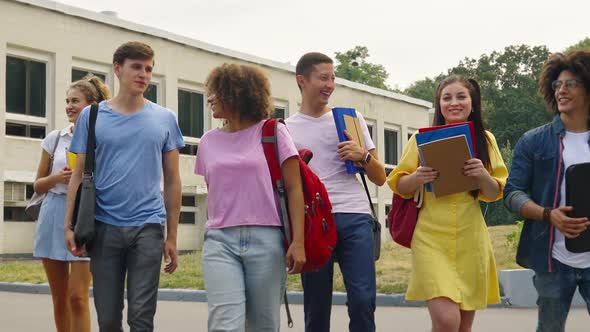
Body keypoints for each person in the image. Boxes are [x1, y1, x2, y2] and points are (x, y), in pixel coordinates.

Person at [64, 41, 184, 332]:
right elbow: (78, 175)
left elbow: (172, 180)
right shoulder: (91, 117)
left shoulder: (164, 118)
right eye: (136, 67)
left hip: (149, 227)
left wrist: (172, 236)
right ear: (117, 69)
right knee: (107, 319)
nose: (144, 74)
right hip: (103, 227)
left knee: (142, 317)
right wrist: (69, 226)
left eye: (148, 69)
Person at [387, 75, 507, 332]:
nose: (454, 103)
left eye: (461, 97)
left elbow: (495, 191)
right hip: (430, 237)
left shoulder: (485, 140)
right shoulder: (420, 139)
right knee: (447, 321)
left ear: (472, 104)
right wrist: (417, 176)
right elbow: (399, 185)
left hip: (470, 238)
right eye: (447, 98)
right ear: (439, 105)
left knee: (462, 327)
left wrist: (482, 175)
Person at [195, 63, 306, 331]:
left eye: (217, 92)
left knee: (263, 325)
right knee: (224, 325)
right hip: (220, 240)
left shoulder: (273, 132)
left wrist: (298, 242)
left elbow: (294, 189)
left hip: (266, 240)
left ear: (237, 93)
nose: (210, 98)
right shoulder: (208, 141)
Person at [285, 52, 386, 332]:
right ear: (302, 81)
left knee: (363, 300)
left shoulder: (350, 119)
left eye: (333, 78)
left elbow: (380, 178)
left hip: (355, 216)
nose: (330, 85)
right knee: (316, 308)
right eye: (323, 78)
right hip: (314, 221)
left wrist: (363, 156)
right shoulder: (287, 130)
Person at [504, 50, 590, 332]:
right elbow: (512, 194)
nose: (561, 91)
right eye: (557, 85)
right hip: (552, 261)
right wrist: (547, 214)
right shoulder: (533, 141)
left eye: (570, 84)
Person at [33, 75, 110, 332]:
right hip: (52, 211)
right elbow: (37, 185)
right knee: (59, 297)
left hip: (85, 214)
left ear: (91, 105)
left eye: (75, 101)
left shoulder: (103, 139)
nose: (68, 106)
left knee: (77, 297)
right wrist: (58, 177)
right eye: (67, 101)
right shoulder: (55, 138)